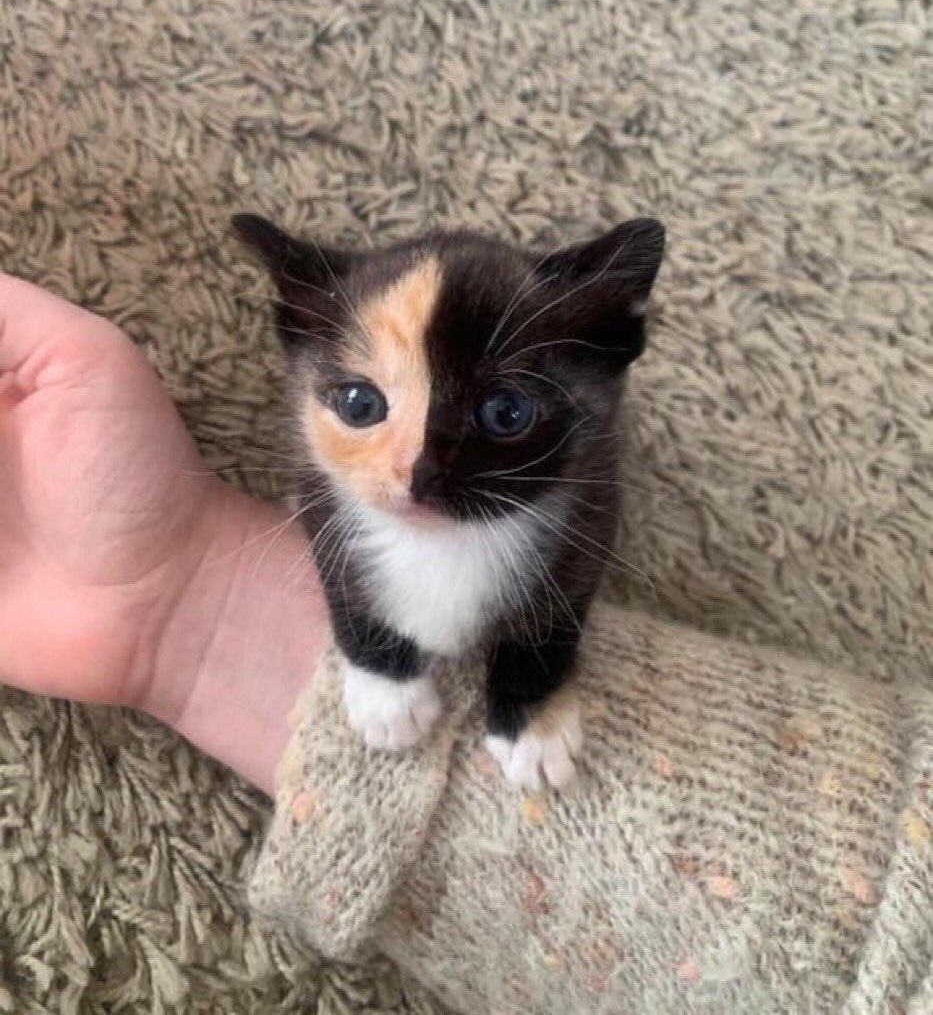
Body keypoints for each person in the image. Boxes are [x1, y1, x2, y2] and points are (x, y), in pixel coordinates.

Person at [1, 271, 929, 1014]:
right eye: (362, 404)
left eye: (502, 415)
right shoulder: (334, 495)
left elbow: (563, 591)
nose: (417, 471)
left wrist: (530, 688)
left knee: (543, 605)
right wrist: (347, 649)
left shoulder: (574, 505)